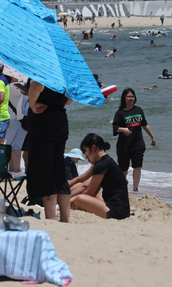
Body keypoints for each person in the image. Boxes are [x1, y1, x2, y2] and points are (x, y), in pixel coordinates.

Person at [26, 80, 73, 222]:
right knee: (58, 169)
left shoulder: (43, 73)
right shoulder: (63, 77)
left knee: (45, 169)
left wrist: (32, 105)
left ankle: (51, 217)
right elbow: (69, 101)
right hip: (60, 122)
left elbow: (36, 86)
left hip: (44, 123)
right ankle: (65, 218)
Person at [71, 134, 130, 220]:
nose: (86, 157)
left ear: (94, 148)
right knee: (81, 194)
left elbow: (89, 192)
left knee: (79, 198)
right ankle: (61, 202)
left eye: (86, 152)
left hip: (116, 211)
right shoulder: (105, 161)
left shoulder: (102, 164)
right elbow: (90, 189)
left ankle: (61, 205)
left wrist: (71, 201)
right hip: (119, 208)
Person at [112, 88, 156, 192]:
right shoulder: (120, 113)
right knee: (123, 169)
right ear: (124, 98)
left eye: (132, 96)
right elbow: (115, 128)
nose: (131, 98)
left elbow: (144, 124)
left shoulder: (139, 110)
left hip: (138, 144)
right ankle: (123, 188)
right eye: (128, 96)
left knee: (137, 167)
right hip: (124, 146)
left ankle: (135, 188)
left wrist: (152, 136)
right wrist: (123, 129)